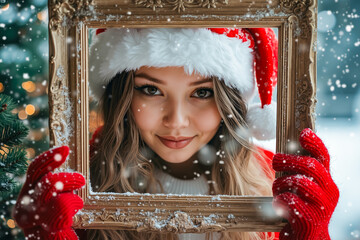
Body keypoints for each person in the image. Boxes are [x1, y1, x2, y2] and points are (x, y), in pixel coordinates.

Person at [13, 28, 339, 240]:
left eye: (202, 93)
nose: (176, 121)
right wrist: (46, 234)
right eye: (151, 90)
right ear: (123, 97)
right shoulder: (82, 178)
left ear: (232, 103)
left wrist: (313, 234)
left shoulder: (273, 180)